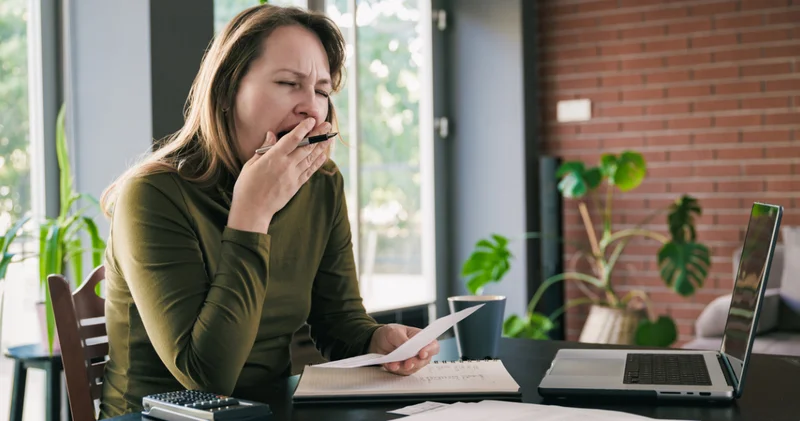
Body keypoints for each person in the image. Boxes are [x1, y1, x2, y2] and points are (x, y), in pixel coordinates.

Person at [98, 4, 439, 417]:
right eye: (288, 83)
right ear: (226, 91)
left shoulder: (321, 184)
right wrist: (251, 216)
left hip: (269, 411)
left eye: (322, 91)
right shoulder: (152, 194)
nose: (311, 109)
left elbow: (339, 319)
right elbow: (207, 380)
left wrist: (377, 339)